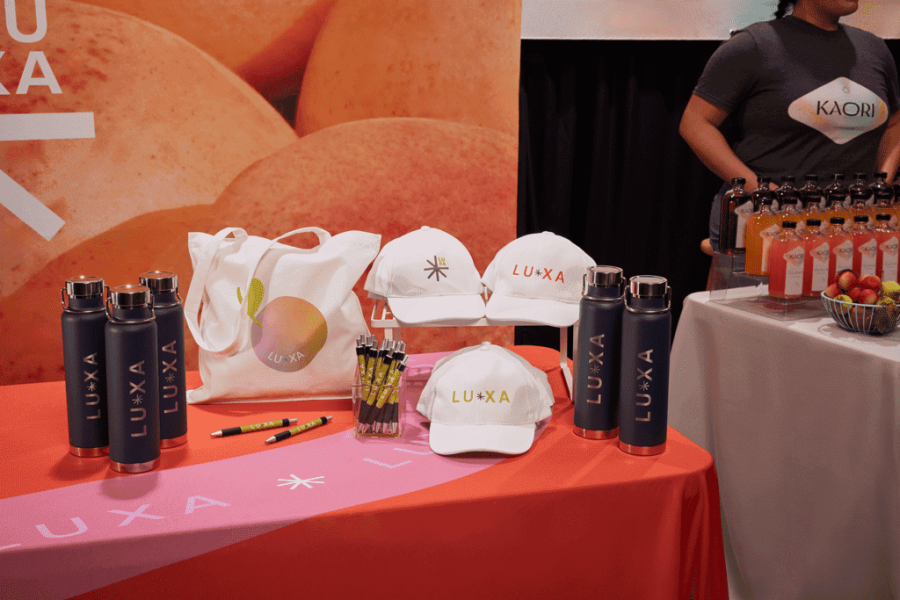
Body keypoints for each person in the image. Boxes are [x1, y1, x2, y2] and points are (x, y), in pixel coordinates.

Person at [680, 0, 900, 252]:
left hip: (853, 227)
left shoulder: (874, 48)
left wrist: (881, 185)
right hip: (763, 223)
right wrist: (766, 194)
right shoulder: (753, 45)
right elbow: (696, 123)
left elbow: (894, 123)